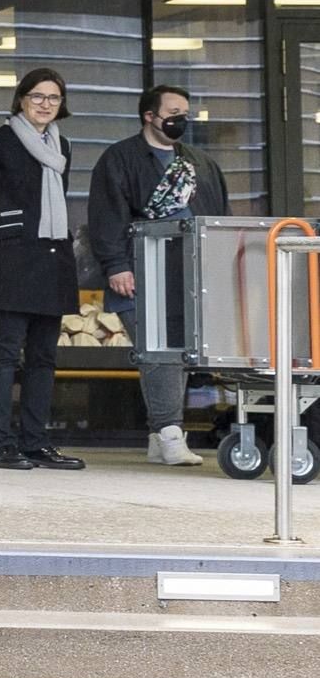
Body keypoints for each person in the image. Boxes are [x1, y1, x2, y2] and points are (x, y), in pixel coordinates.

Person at [89, 83, 230, 468]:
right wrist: (116, 265)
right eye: (172, 112)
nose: (180, 119)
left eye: (185, 112)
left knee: (179, 353)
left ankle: (158, 436)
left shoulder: (201, 164)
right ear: (149, 116)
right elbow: (105, 216)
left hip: (189, 274)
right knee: (158, 352)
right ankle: (170, 432)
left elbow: (220, 216)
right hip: (139, 271)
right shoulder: (119, 159)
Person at [0, 68, 85, 473]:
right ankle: (1, 444)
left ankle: (35, 442)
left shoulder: (63, 145)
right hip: (11, 260)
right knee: (5, 353)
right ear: (21, 99)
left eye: (54, 97)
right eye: (37, 96)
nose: (45, 104)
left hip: (52, 258)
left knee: (44, 357)